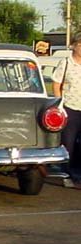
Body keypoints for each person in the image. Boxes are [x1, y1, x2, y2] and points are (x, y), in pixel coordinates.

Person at [52, 33, 81, 184]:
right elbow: (56, 84)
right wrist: (59, 105)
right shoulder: (66, 63)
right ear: (74, 46)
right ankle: (66, 175)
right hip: (70, 108)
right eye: (80, 45)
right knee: (68, 143)